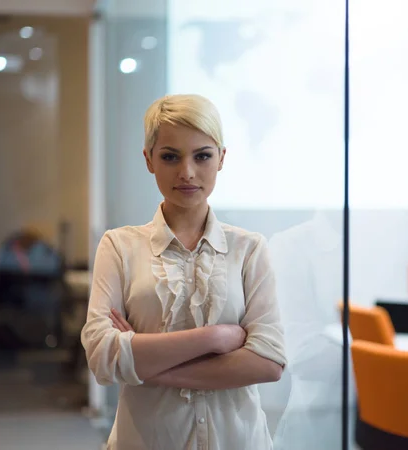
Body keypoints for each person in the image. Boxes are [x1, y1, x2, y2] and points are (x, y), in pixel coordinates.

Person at [81, 94, 287, 450]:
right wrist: (215, 339)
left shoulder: (249, 249)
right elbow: (102, 356)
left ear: (221, 158)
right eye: (170, 156)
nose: (187, 172)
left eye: (202, 155)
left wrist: (148, 367)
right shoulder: (118, 246)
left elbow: (268, 361)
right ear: (149, 160)